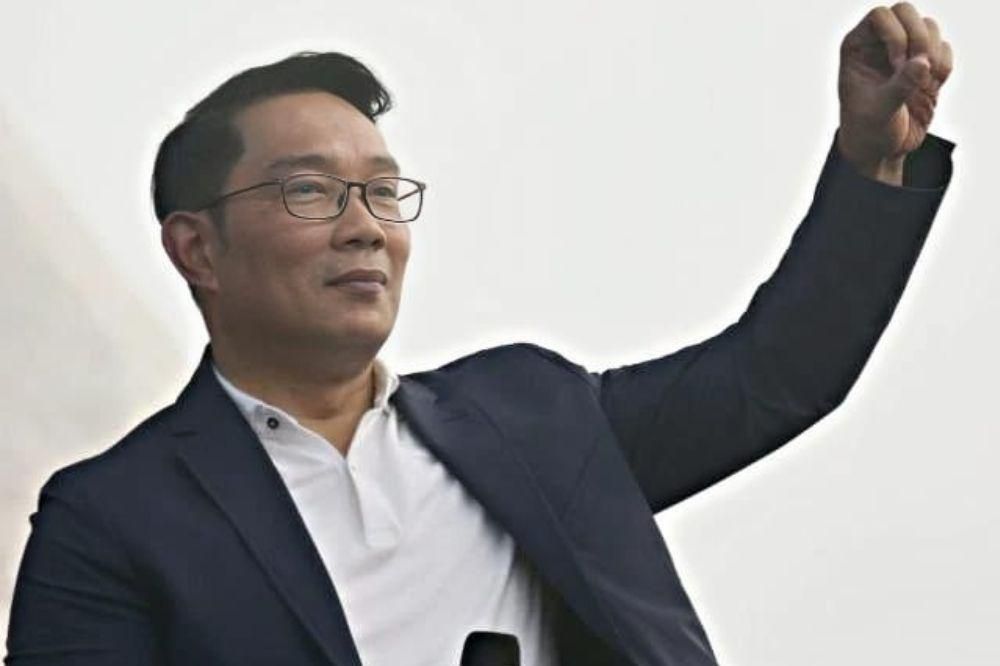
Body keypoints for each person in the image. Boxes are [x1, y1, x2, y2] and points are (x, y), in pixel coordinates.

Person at [4, 3, 955, 665]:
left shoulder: (531, 414)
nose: (364, 226)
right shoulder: (112, 520)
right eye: (310, 190)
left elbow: (777, 374)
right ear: (197, 248)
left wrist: (869, 160)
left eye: (383, 191)